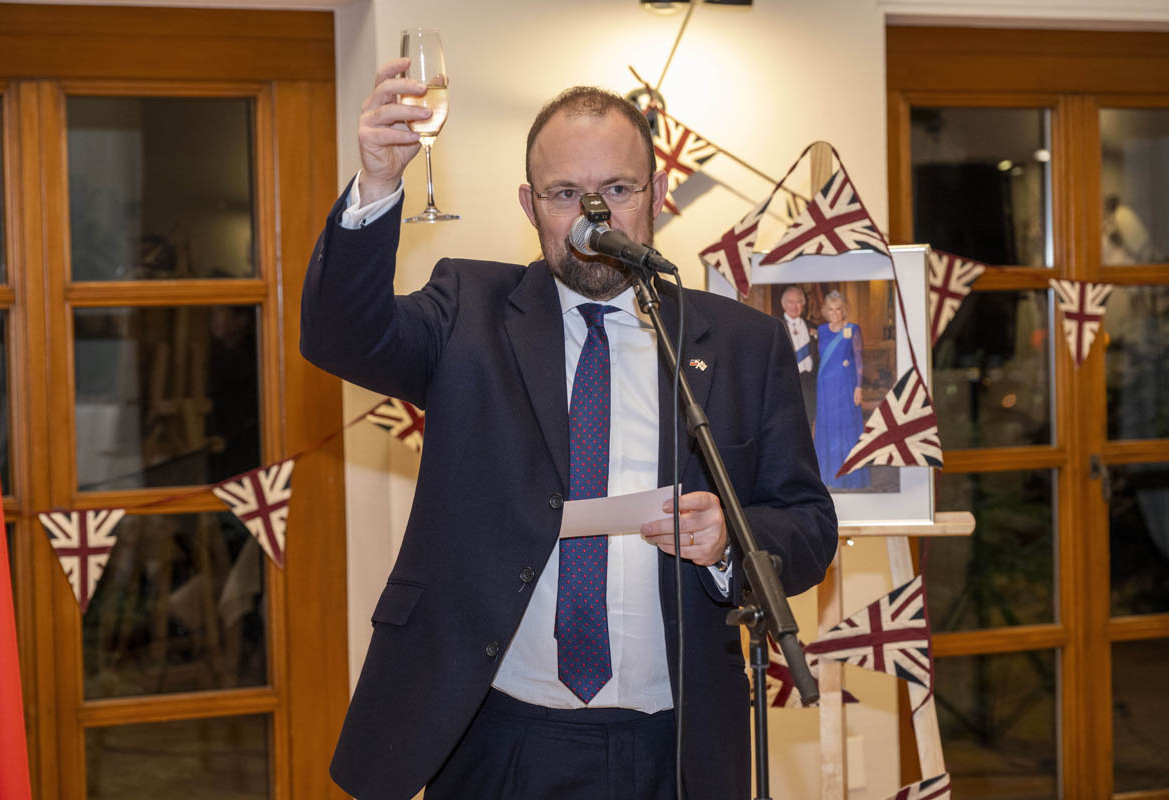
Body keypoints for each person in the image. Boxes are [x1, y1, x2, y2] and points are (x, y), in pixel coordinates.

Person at [300, 58, 837, 800]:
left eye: (617, 189)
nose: (593, 217)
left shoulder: (744, 344)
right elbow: (343, 337)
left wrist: (728, 544)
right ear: (530, 205)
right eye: (564, 194)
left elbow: (808, 526)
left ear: (657, 194)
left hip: (677, 742)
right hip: (497, 737)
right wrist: (377, 184)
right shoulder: (468, 310)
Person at [813, 290, 869, 489]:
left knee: (847, 426)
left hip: (846, 385)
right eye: (830, 309)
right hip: (825, 387)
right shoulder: (820, 331)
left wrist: (859, 387)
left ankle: (850, 477)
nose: (835, 312)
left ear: (844, 310)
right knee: (828, 426)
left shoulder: (853, 329)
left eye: (838, 308)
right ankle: (828, 476)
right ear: (825, 311)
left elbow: (859, 360)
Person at [779, 286, 817, 423]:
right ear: (783, 304)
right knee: (788, 421)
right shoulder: (775, 326)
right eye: (790, 302)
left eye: (798, 302)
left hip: (809, 383)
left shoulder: (812, 326)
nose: (795, 306)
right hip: (786, 382)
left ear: (803, 304)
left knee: (808, 420)